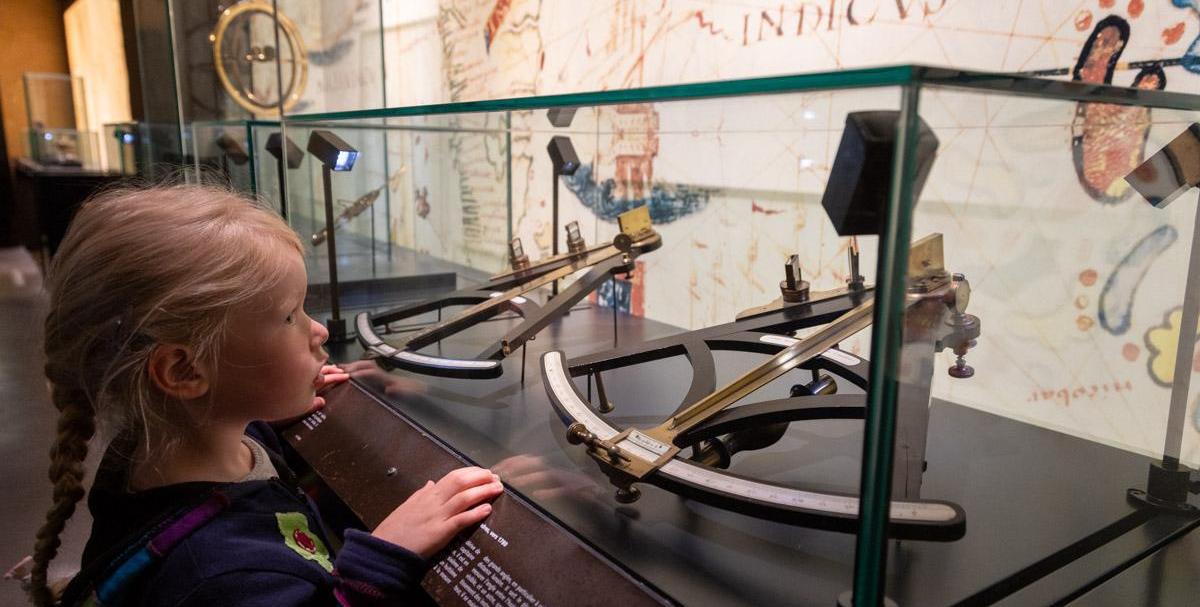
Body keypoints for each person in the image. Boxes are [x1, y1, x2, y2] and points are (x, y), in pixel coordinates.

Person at [28, 183, 504, 606]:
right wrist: (384, 557)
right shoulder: (227, 577)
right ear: (184, 370)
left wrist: (263, 408)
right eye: (289, 317)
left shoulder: (150, 451)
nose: (317, 330)